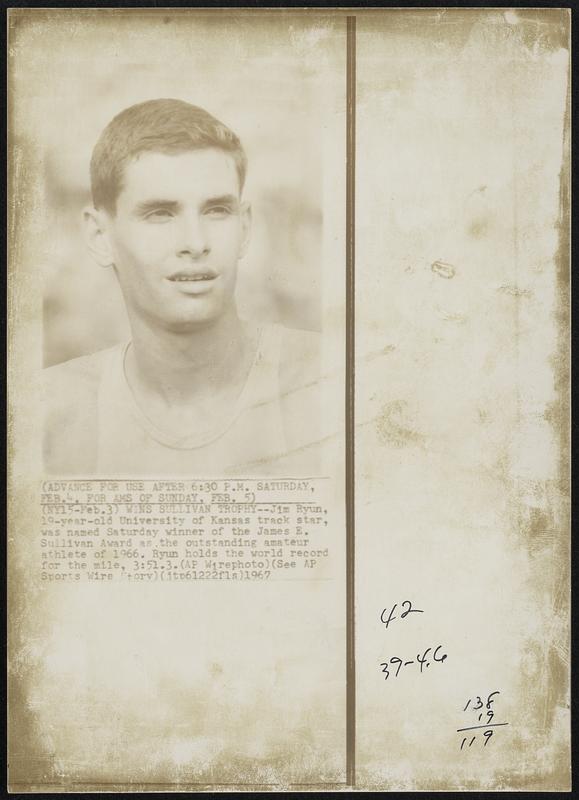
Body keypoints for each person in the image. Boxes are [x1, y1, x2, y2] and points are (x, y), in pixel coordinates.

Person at [44, 98, 322, 475]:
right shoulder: (43, 415)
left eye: (217, 210)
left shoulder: (333, 385)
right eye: (160, 214)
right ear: (99, 235)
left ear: (244, 228)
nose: (195, 241)